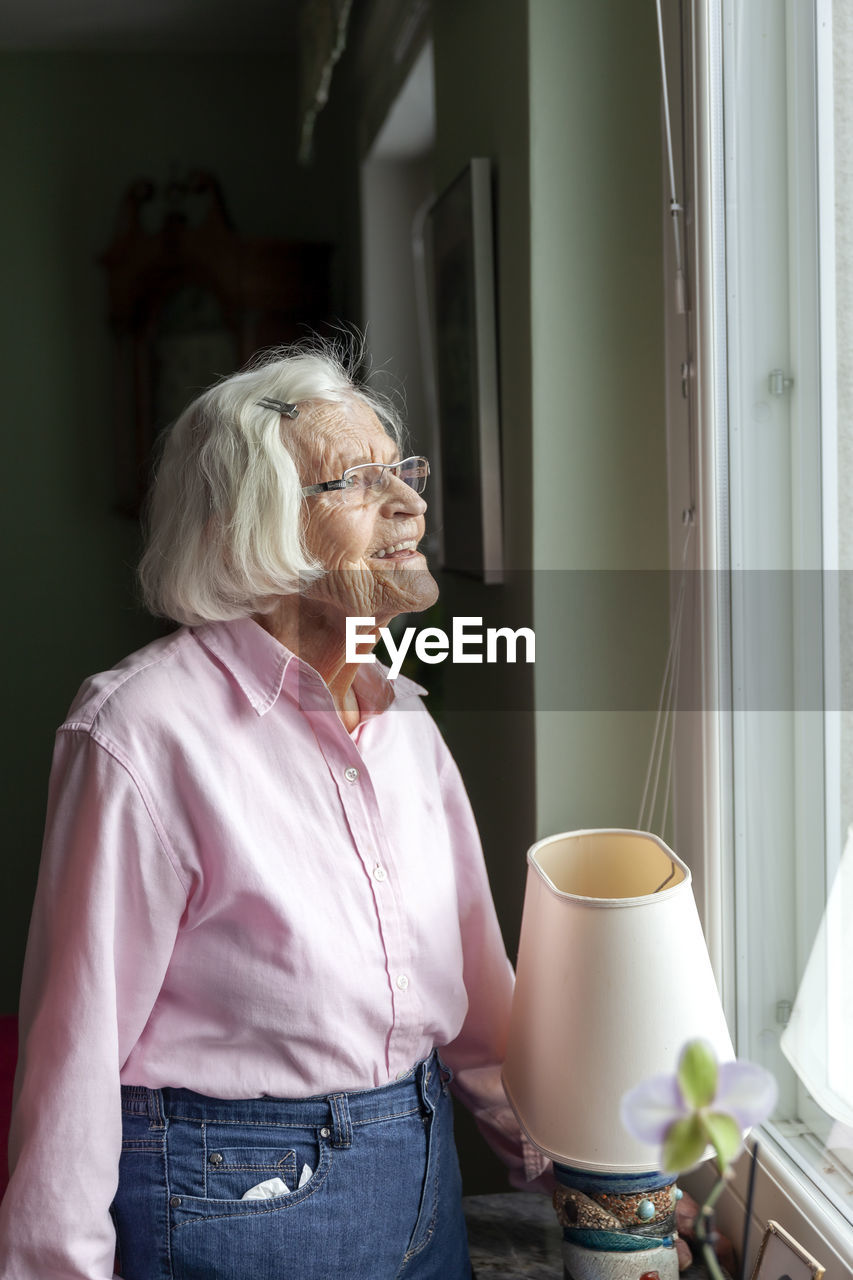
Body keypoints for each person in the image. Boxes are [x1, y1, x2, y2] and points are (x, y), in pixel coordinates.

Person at [0, 343, 547, 1280]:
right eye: (357, 483)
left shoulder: (401, 714)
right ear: (257, 528)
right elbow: (73, 1054)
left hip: (422, 1182)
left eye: (404, 473)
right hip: (236, 1202)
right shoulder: (140, 732)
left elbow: (474, 996)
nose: (411, 506)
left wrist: (567, 1165)